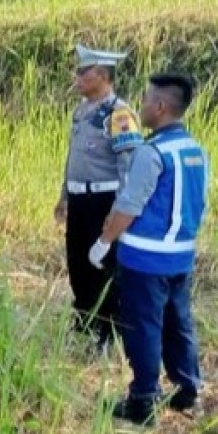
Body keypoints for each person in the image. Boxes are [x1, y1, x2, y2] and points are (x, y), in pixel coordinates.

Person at [89, 74, 209, 426]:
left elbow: (129, 206)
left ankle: (143, 399)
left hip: (145, 259)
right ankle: (187, 389)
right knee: (179, 321)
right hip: (181, 255)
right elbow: (199, 202)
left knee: (143, 326)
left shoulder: (151, 152)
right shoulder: (195, 150)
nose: (140, 107)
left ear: (160, 107)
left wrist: (103, 242)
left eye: (145, 101)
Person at [55, 44, 143, 356]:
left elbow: (130, 167)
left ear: (103, 76)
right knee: (77, 262)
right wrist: (64, 195)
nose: (77, 77)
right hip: (80, 199)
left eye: (83, 71)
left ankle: (108, 333)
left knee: (103, 265)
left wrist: (119, 209)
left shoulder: (119, 114)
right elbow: (73, 158)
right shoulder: (81, 111)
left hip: (104, 200)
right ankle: (83, 323)